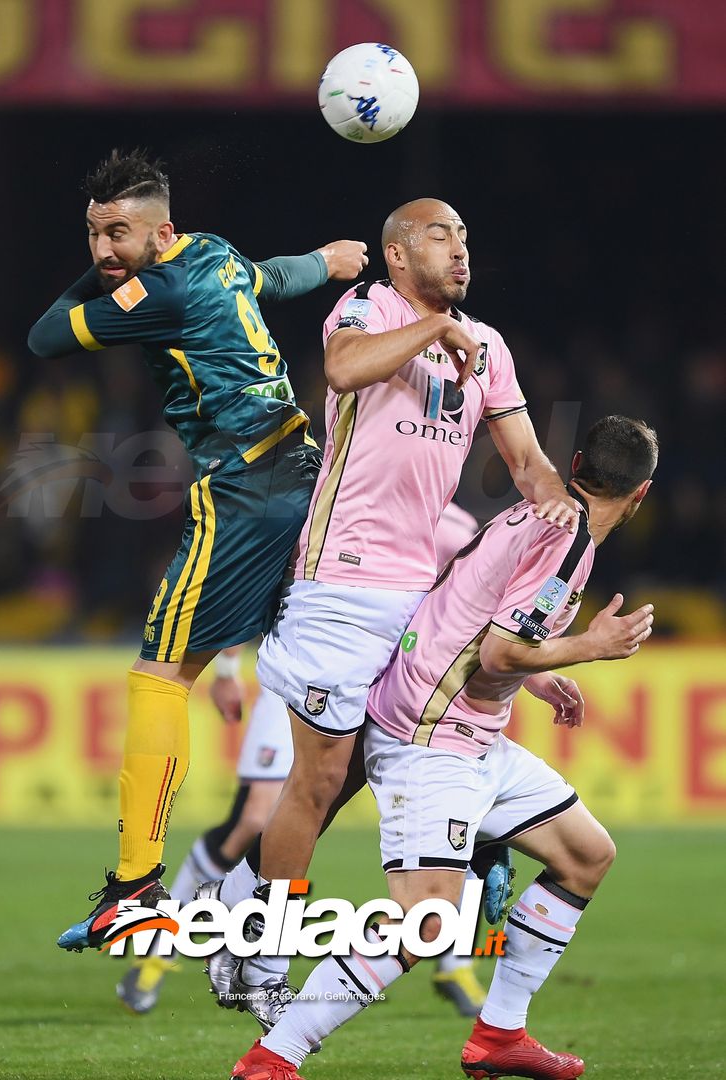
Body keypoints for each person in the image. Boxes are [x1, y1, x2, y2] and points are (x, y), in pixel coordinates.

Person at [210, 198, 580, 1027]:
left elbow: (526, 460)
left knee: (347, 781)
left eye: (466, 238)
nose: (460, 250)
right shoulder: (368, 307)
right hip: (340, 584)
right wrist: (432, 333)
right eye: (442, 236)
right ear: (398, 254)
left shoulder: (487, 348)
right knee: (316, 779)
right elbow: (342, 370)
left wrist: (556, 497)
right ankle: (261, 958)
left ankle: (235, 903)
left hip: (420, 594)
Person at [229, 414, 658, 1080]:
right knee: (426, 923)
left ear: (574, 465)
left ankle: (499, 1035)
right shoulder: (569, 543)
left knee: (585, 854)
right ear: (641, 494)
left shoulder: (537, 513)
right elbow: (496, 651)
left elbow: (466, 604)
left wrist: (537, 673)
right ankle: (273, 1056)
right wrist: (590, 648)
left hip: (473, 734)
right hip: (429, 739)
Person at [27, 148, 368, 952]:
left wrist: (106, 279)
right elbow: (271, 277)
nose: (104, 250)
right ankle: (484, 837)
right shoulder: (210, 253)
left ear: (162, 230)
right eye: (93, 234)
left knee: (157, 675)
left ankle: (136, 888)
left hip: (244, 491)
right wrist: (327, 261)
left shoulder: (161, 291)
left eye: (118, 233)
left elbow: (45, 338)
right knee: (346, 673)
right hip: (303, 470)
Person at [118, 504, 491, 1017]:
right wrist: (227, 663)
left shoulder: (456, 528)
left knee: (440, 809)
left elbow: (468, 614)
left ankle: (454, 964)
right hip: (306, 665)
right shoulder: (335, 499)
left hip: (390, 683)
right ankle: (161, 953)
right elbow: (261, 576)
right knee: (253, 819)